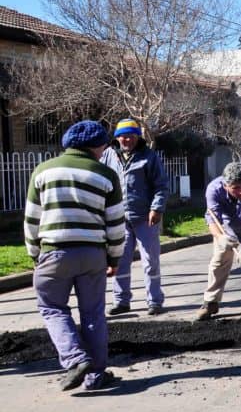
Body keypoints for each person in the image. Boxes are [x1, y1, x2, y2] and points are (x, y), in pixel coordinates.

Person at [24, 120, 125, 392]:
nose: (105, 149)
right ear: (96, 146)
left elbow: (32, 219)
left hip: (54, 252)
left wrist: (35, 253)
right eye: (104, 144)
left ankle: (74, 358)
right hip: (93, 254)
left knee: (52, 307)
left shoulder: (43, 171)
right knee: (93, 313)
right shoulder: (106, 175)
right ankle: (96, 375)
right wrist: (114, 259)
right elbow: (115, 223)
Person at [100, 118, 171, 316]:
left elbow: (161, 186)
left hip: (144, 218)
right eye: (123, 136)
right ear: (117, 138)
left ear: (137, 137)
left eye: (131, 136)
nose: (127, 140)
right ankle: (121, 301)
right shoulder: (108, 155)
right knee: (120, 261)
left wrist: (156, 209)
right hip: (117, 218)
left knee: (150, 261)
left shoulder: (149, 157)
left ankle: (154, 301)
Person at [194, 162, 241, 321]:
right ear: (226, 185)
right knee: (218, 262)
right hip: (226, 231)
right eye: (236, 187)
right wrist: (219, 237)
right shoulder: (214, 189)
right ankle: (210, 302)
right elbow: (212, 218)